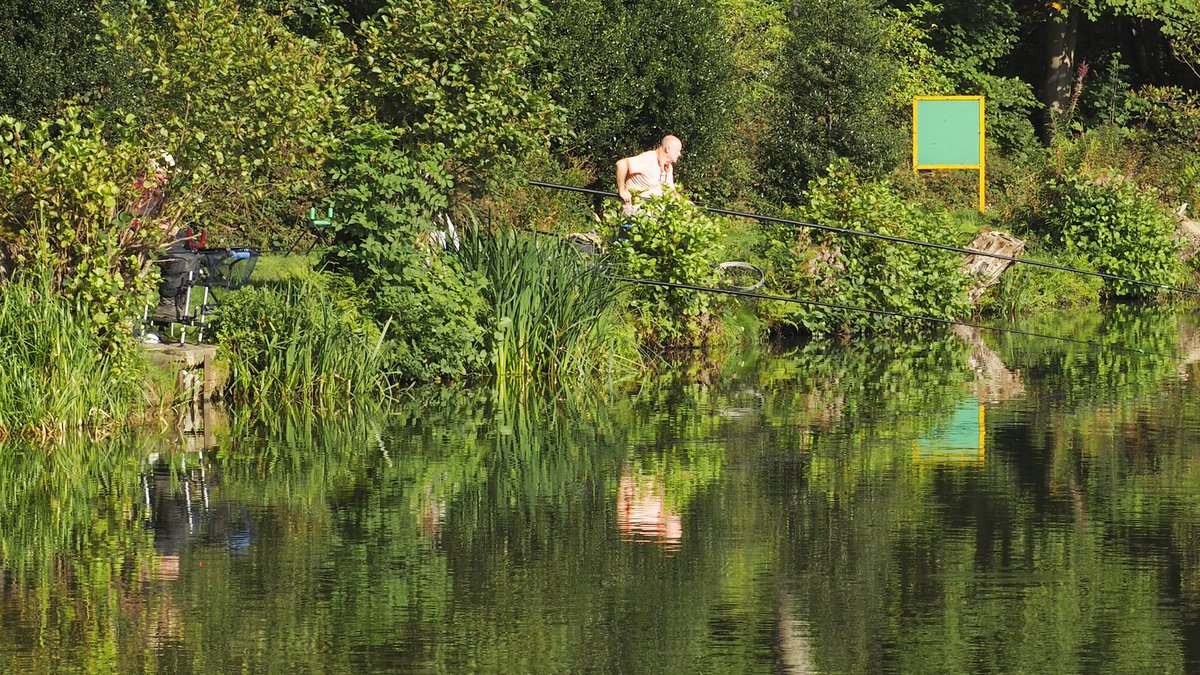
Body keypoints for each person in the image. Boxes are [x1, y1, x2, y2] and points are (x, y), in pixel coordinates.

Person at [615, 135, 683, 216]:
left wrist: (683, 202)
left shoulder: (668, 167)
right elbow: (621, 164)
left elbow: (672, 191)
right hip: (636, 210)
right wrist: (622, 191)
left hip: (655, 211)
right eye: (677, 151)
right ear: (667, 149)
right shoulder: (649, 158)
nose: (679, 154)